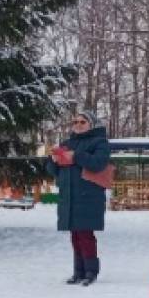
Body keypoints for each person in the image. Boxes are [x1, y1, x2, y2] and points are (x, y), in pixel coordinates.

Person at [48, 111, 110, 286]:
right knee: (75, 235)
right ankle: (78, 271)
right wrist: (53, 160)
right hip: (69, 197)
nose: (77, 124)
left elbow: (98, 163)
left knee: (85, 234)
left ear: (91, 124)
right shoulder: (67, 143)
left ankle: (91, 271)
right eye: (75, 121)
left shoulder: (100, 142)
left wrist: (75, 156)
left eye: (82, 121)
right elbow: (53, 171)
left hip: (88, 196)